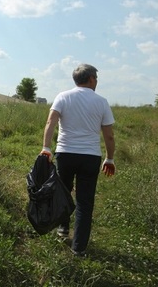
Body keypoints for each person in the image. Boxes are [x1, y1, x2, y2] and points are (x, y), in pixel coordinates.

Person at [39, 63, 116, 257]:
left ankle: (62, 229)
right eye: (96, 79)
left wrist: (46, 147)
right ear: (90, 79)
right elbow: (109, 136)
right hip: (90, 157)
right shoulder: (101, 102)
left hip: (65, 154)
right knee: (85, 202)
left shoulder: (62, 97)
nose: (96, 82)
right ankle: (79, 248)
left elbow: (51, 122)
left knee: (63, 192)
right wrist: (110, 158)